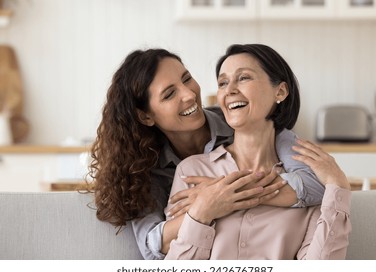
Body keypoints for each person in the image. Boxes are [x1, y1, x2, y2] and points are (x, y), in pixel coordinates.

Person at [88, 48, 325, 260]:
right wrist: (206, 206)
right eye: (169, 94)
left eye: (187, 79)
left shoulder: (243, 119)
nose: (190, 95)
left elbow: (317, 186)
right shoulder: (144, 167)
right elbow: (152, 245)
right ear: (146, 116)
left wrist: (223, 191)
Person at [164, 44, 351, 259]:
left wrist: (338, 185)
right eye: (223, 82)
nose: (230, 89)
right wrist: (202, 211)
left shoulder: (311, 180)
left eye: (243, 78)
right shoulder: (192, 171)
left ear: (280, 91)